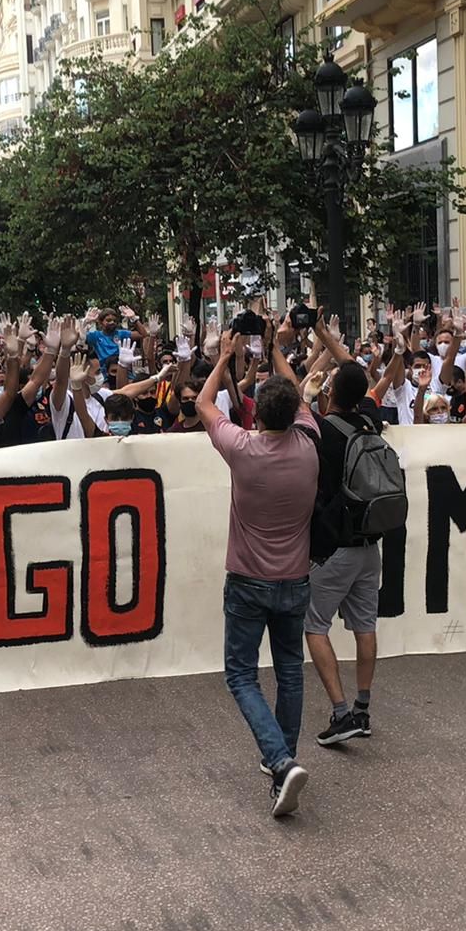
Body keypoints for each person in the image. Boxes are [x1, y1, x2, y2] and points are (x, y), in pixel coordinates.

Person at [200, 321, 319, 818]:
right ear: (294, 412)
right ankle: (282, 762)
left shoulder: (242, 449)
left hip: (247, 580)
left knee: (241, 676)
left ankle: (278, 758)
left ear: (256, 415)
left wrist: (225, 357)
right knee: (290, 672)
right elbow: (300, 397)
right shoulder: (311, 443)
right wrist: (273, 348)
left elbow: (205, 405)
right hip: (295, 579)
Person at [300, 351, 383, 748]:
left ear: (330, 391)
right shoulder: (372, 420)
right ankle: (363, 708)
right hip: (370, 543)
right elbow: (356, 374)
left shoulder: (323, 429)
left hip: (334, 546)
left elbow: (300, 416)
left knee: (315, 625)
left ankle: (340, 712)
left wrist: (307, 391)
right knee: (365, 627)